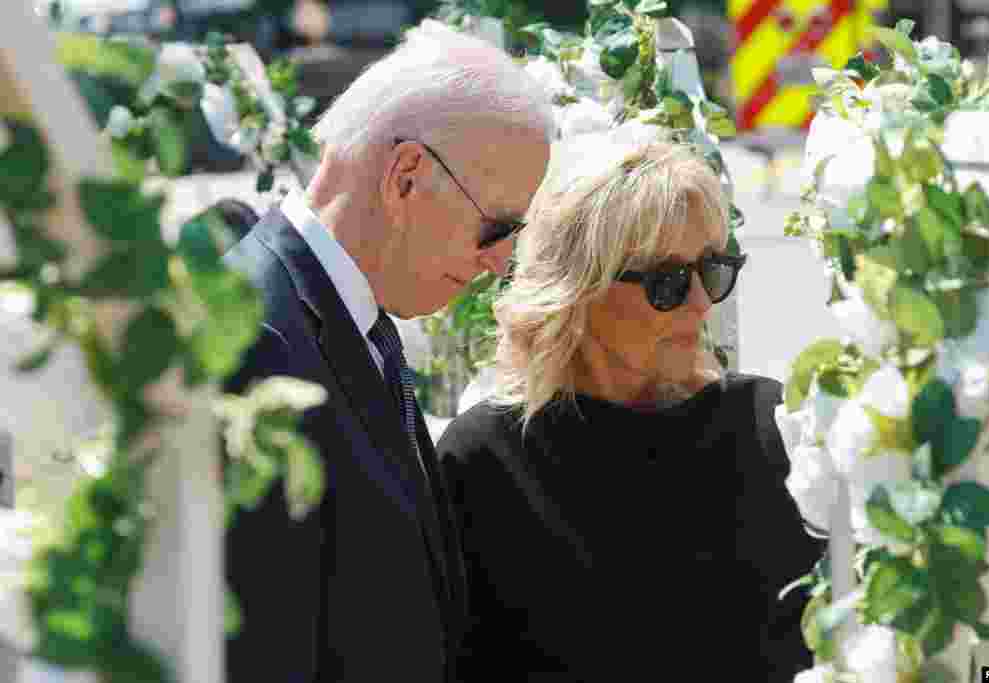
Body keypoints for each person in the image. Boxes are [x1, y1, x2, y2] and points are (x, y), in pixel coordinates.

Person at [221, 20, 554, 683]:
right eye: (497, 227)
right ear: (406, 176)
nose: (501, 262)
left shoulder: (359, 316)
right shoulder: (252, 336)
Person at [437, 138, 825, 681]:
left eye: (713, 269)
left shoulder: (772, 431)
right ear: (577, 287)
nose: (701, 303)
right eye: (667, 282)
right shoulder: (483, 460)